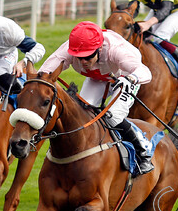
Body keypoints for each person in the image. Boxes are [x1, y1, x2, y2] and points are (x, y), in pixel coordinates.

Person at [38, 21, 155, 174]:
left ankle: (143, 151)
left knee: (113, 117)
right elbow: (44, 73)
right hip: (98, 77)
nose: (83, 62)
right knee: (81, 116)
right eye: (78, 58)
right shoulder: (69, 49)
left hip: (125, 77)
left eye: (87, 57)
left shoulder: (116, 50)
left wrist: (131, 79)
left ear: (99, 48)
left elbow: (145, 72)